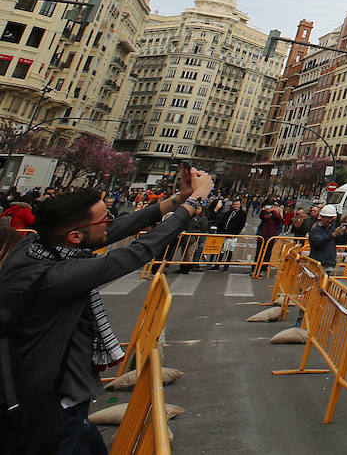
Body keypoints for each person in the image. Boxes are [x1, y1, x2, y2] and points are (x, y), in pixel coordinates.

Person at [0, 167, 212, 454]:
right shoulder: (59, 275)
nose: (110, 223)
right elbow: (138, 251)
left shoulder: (37, 246)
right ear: (75, 236)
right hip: (50, 403)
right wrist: (193, 204)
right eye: (104, 219)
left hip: (48, 395)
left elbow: (118, 229)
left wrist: (177, 199)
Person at [307, 205, 347, 270]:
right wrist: (333, 235)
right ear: (322, 217)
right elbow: (317, 243)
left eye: (331, 218)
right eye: (327, 218)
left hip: (328, 263)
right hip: (317, 263)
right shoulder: (316, 229)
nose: (329, 220)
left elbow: (340, 241)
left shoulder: (332, 229)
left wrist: (346, 234)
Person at [209, 199, 247, 271]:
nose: (236, 206)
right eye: (235, 204)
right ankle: (217, 264)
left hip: (232, 235)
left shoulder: (242, 213)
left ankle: (226, 266)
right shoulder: (228, 213)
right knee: (221, 250)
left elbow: (241, 225)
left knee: (229, 251)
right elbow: (222, 222)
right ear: (232, 205)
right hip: (223, 233)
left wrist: (235, 234)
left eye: (238, 204)